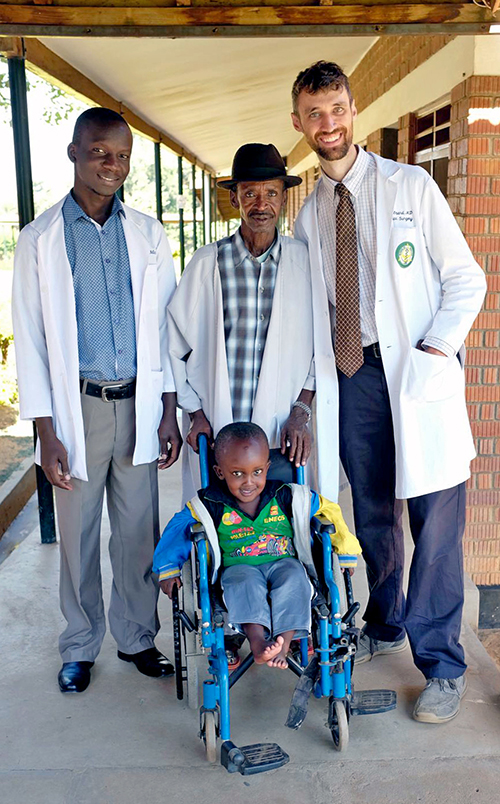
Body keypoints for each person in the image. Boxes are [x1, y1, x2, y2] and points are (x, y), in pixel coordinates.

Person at [290, 61, 486, 723]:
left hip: (417, 371)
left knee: (434, 521)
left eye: (337, 108)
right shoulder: (309, 216)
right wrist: (310, 394)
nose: (328, 124)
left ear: (354, 111)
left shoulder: (412, 186)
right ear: (300, 123)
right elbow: (312, 312)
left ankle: (441, 665)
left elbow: (467, 278)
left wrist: (437, 349)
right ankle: (387, 620)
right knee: (372, 514)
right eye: (315, 114)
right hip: (355, 379)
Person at [12, 108, 182, 694]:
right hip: (75, 408)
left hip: (137, 404)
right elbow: (29, 339)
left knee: (137, 531)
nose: (113, 165)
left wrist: (168, 410)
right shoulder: (40, 240)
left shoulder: (148, 234)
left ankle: (137, 637)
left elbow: (167, 328)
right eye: (100, 153)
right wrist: (46, 431)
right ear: (74, 154)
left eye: (123, 155)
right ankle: (80, 645)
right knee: (78, 533)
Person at [154, 422, 361, 668]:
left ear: (267, 468)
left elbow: (330, 511)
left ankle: (282, 645)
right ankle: (258, 643)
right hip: (239, 567)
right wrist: (168, 568)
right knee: (245, 582)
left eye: (257, 472)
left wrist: (346, 551)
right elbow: (177, 528)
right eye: (237, 473)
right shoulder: (211, 502)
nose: (248, 482)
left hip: (284, 562)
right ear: (220, 472)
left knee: (295, 577)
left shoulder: (286, 495)